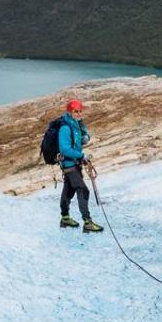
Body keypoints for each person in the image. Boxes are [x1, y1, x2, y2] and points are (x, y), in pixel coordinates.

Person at [55, 99, 103, 233]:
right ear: (69, 112)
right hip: (69, 165)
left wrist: (84, 138)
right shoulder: (65, 128)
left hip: (74, 164)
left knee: (69, 190)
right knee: (83, 190)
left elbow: (78, 141)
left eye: (80, 111)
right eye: (75, 111)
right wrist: (81, 156)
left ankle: (65, 218)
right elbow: (65, 149)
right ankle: (87, 222)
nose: (78, 113)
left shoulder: (75, 124)